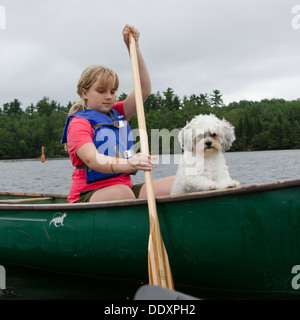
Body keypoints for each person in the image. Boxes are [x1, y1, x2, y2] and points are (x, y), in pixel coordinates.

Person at [62, 24, 174, 203]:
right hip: (89, 195)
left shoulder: (118, 113)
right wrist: (129, 164)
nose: (109, 97)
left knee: (179, 183)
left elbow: (143, 90)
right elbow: (93, 160)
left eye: (113, 92)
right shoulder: (78, 123)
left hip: (125, 189)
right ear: (84, 93)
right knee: (122, 194)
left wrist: (134, 48)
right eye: (101, 91)